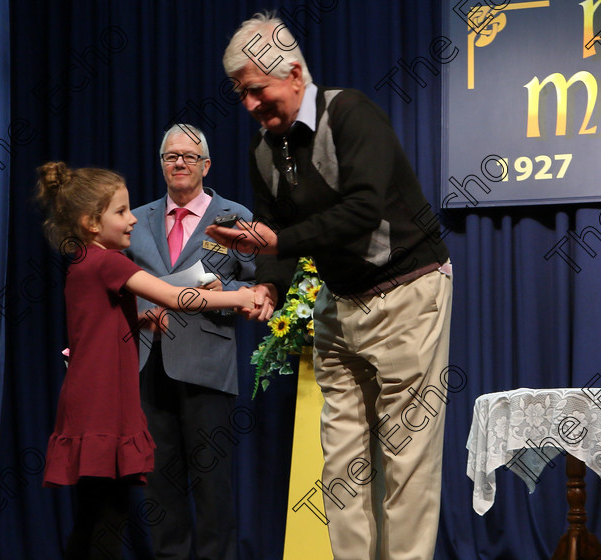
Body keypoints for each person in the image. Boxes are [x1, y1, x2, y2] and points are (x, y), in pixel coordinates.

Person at [208, 13, 453, 560]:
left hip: (407, 291)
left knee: (405, 453)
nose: (249, 105)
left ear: (294, 74)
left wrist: (275, 244)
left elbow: (364, 209)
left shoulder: (351, 113)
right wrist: (269, 287)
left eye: (256, 91)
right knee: (341, 461)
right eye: (241, 95)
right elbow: (280, 239)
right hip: (338, 304)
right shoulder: (263, 152)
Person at [35, 162, 254, 559]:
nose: (133, 219)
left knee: (95, 515)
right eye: (120, 212)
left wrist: (138, 322)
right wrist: (239, 297)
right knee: (105, 519)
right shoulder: (110, 262)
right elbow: (174, 297)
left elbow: (96, 326)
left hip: (90, 403)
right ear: (90, 223)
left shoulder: (85, 262)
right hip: (101, 407)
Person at [124, 124, 254, 560]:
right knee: (160, 485)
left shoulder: (235, 218)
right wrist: (139, 313)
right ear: (161, 164)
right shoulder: (134, 220)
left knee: (213, 486)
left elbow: (258, 288)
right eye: (170, 157)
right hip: (148, 363)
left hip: (207, 367)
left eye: (188, 156)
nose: (179, 163)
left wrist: (222, 292)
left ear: (206, 165)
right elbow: (118, 285)